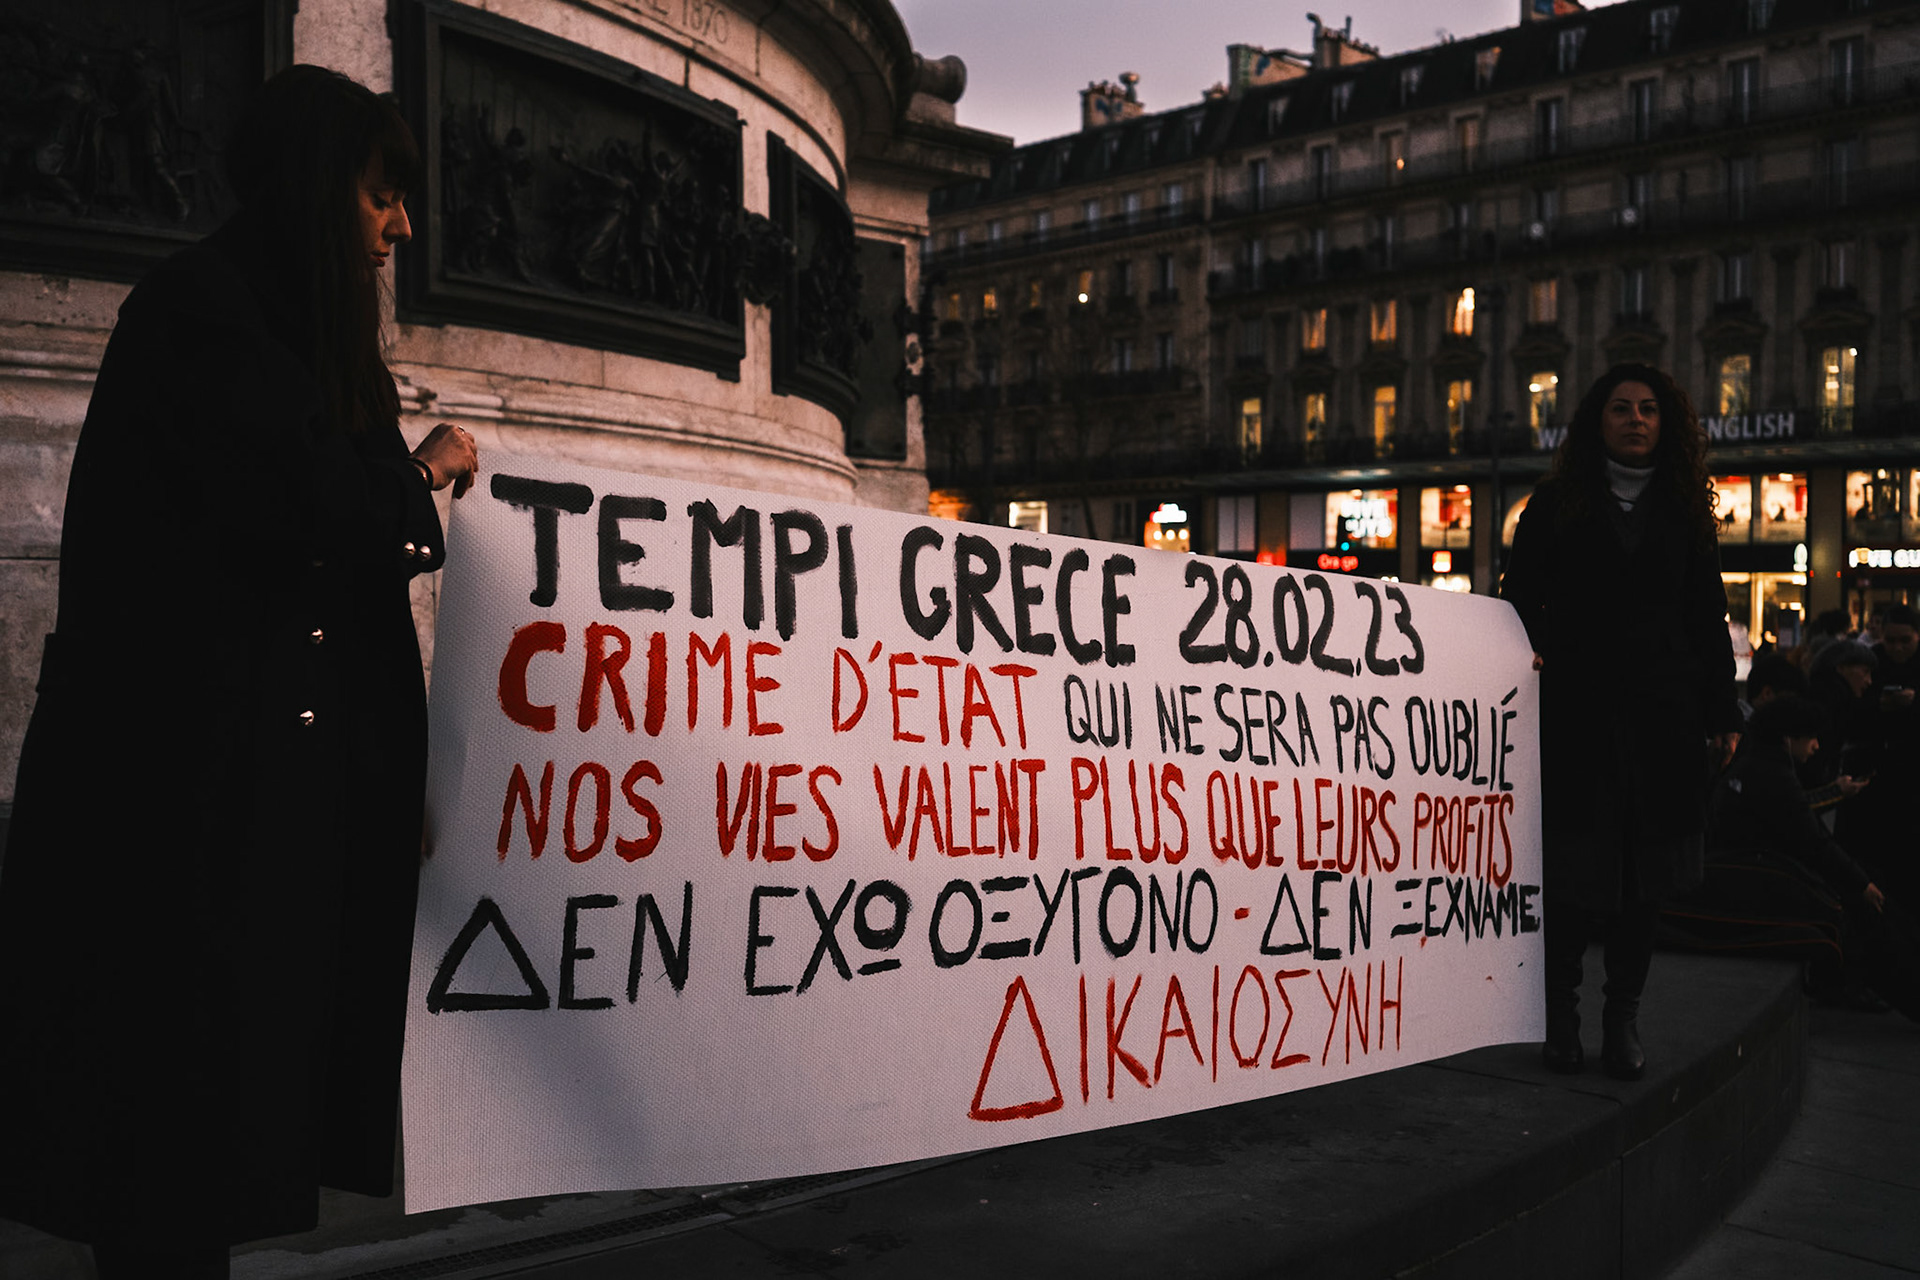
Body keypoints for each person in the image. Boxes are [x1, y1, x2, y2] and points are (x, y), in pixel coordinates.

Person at [0, 67, 478, 1277]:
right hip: (169, 827)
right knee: (166, 1151)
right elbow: (328, 514)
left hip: (236, 817)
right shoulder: (202, 314)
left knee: (196, 1155)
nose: (400, 229)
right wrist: (420, 472)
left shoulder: (281, 326)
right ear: (323, 192)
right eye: (380, 196)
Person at [1500, 363, 1740, 1081]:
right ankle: (1562, 1017)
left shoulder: (1686, 511)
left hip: (1663, 721)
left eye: (1648, 410)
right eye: (1620, 409)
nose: (1636, 420)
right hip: (1577, 715)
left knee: (1646, 883)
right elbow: (1520, 601)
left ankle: (1622, 1019)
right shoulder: (1554, 505)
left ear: (1667, 424)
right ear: (1594, 423)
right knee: (1573, 874)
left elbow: (1707, 617)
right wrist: (1530, 655)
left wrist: (1723, 709)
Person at [1664, 696, 1920, 1021]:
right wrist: (1861, 883)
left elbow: (1799, 821)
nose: (1816, 746)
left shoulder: (1756, 762)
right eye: (1810, 737)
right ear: (1788, 738)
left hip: (1751, 870)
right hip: (1760, 878)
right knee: (1868, 906)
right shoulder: (1772, 772)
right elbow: (1813, 840)